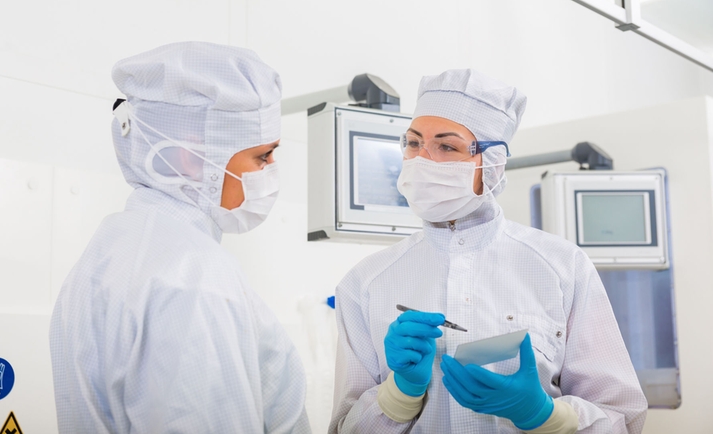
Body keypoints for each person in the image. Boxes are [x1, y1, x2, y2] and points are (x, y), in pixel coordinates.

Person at [329, 69, 647, 433]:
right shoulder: (366, 282)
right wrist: (399, 395)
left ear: (492, 164)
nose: (423, 160)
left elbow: (621, 417)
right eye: (414, 143)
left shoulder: (562, 267)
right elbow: (344, 429)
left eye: (446, 146)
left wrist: (546, 416)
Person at [49, 42, 310, 433]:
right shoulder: (195, 278)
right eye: (262, 156)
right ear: (190, 156)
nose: (272, 170)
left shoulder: (105, 254)